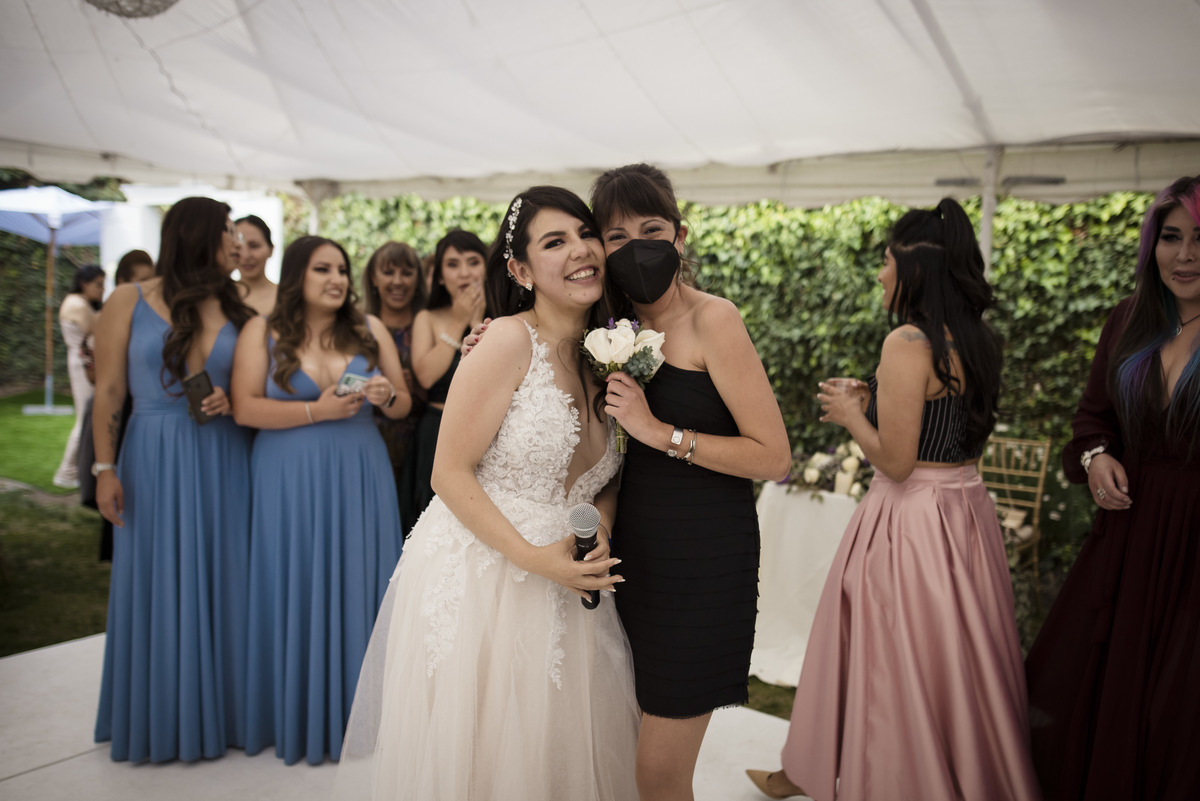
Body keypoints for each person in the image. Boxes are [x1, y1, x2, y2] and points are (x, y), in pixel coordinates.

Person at [335, 187, 637, 800]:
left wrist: (598, 527)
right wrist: (535, 559)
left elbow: (608, 475)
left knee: (556, 755)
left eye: (585, 234)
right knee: (484, 759)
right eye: (555, 242)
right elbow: (448, 472)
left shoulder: (612, 353)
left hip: (571, 578)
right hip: (487, 574)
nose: (581, 250)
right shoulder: (504, 341)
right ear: (521, 271)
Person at [746, 198, 1039, 801]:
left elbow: (898, 462)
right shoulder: (981, 339)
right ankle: (961, 770)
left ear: (915, 270)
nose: (880, 274)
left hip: (911, 521)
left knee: (890, 654)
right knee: (955, 658)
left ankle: (887, 778)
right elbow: (945, 424)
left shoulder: (907, 341)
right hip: (965, 511)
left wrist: (851, 413)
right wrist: (875, 398)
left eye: (885, 261)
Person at [587, 164, 790, 801]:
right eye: (616, 236)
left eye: (651, 230)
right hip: (635, 559)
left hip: (704, 563)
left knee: (659, 772)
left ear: (679, 235)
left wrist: (660, 432)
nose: (635, 247)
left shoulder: (713, 319)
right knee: (629, 746)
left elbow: (773, 457)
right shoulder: (606, 331)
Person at [1024, 175, 1200, 800]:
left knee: (1179, 703)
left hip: (1194, 546)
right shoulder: (1129, 319)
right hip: (1128, 538)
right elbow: (1092, 417)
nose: (1185, 255)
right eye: (1171, 237)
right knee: (1085, 683)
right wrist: (1097, 457)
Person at [232, 235, 412, 765]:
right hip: (287, 476)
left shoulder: (370, 329)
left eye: (341, 270)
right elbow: (244, 408)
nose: (337, 279)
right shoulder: (261, 330)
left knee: (360, 580)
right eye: (322, 269)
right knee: (293, 580)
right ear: (296, 276)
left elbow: (403, 404)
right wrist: (317, 411)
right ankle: (294, 713)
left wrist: (386, 395)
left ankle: (366, 718)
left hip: (359, 472)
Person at [92, 197, 255, 763]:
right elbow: (109, 390)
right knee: (155, 576)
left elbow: (256, 389)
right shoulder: (126, 299)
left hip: (225, 454)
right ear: (196, 234)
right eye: (227, 230)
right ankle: (159, 714)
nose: (237, 241)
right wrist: (104, 468)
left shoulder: (240, 310)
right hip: (153, 455)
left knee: (228, 576)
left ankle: (228, 713)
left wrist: (233, 399)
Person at [406, 229, 489, 532]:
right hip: (437, 432)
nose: (464, 273)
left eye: (473, 262)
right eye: (453, 265)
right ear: (440, 276)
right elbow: (426, 377)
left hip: (488, 434)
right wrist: (458, 321)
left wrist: (477, 320)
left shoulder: (506, 315)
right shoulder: (427, 318)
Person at [79, 250, 155, 562]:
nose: (149, 285)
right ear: (123, 281)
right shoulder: (114, 312)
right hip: (122, 412)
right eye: (143, 280)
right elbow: (97, 375)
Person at [362, 241, 427, 528]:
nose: (398, 281)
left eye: (406, 272)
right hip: (370, 443)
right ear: (373, 279)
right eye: (389, 272)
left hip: (421, 444)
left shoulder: (429, 324)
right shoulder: (356, 327)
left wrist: (420, 385)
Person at [52, 263, 105, 489]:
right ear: (84, 284)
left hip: (83, 361)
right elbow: (97, 330)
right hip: (84, 363)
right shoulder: (77, 304)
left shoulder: (77, 302)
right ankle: (67, 471)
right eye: (98, 285)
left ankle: (74, 470)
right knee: (85, 418)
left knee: (87, 417)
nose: (102, 290)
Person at [235, 214, 277, 315]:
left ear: (271, 250)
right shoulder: (217, 297)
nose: (246, 255)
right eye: (238, 247)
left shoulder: (286, 298)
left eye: (254, 246)